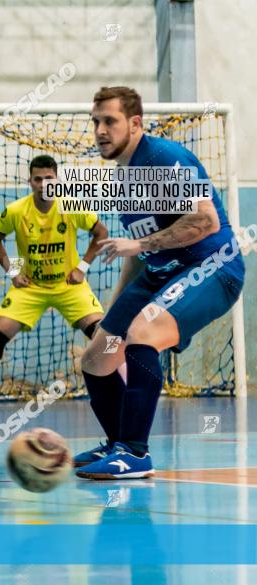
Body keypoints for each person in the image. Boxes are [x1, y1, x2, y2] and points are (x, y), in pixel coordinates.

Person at [75, 86, 244, 479]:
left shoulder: (165, 158)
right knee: (98, 358)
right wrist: (111, 315)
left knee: (143, 333)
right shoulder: (123, 180)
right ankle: (118, 442)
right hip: (159, 273)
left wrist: (140, 243)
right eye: (95, 121)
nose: (100, 130)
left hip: (211, 268)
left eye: (109, 121)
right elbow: (137, 257)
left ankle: (135, 454)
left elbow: (206, 221)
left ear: (134, 123)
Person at [0, 155, 108, 413]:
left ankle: (126, 389)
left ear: (57, 180)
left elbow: (101, 233)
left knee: (105, 335)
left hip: (68, 286)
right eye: (38, 179)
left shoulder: (71, 206)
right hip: (31, 288)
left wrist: (82, 267)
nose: (43, 183)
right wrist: (14, 273)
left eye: (48, 178)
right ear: (30, 181)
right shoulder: (16, 211)